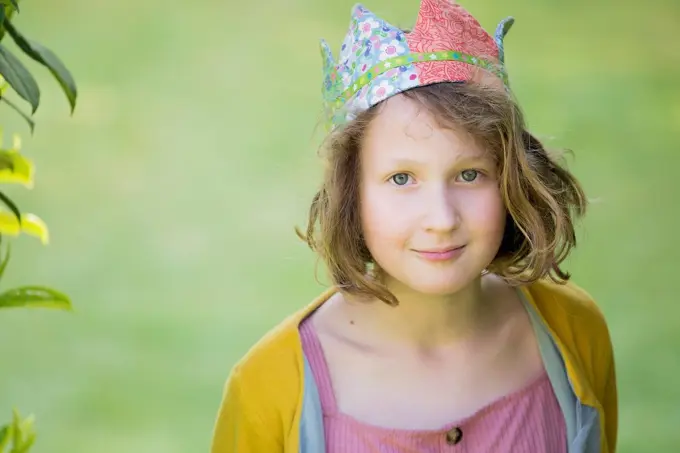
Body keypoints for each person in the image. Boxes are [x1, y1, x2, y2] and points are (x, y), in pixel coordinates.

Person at [210, 1, 618, 452]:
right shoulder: (269, 385)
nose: (441, 220)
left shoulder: (574, 333)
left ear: (510, 180)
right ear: (353, 195)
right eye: (401, 179)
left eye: (469, 174)